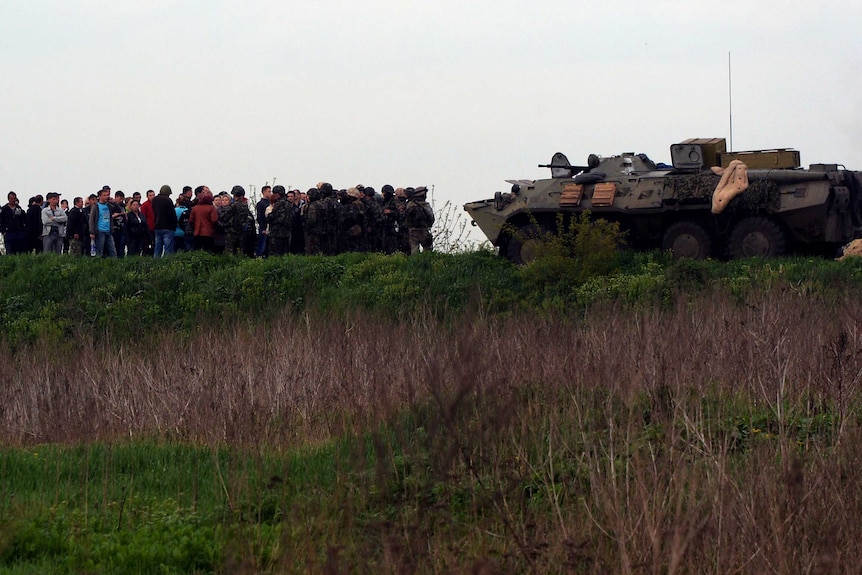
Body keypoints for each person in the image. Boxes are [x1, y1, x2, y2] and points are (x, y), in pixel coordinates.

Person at [220, 185, 254, 256]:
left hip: (231, 232)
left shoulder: (234, 205)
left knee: (230, 251)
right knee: (240, 251)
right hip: (241, 231)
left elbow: (224, 217)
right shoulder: (245, 205)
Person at [89, 187, 119, 257]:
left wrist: (113, 201)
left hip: (108, 230)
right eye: (104, 195)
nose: (106, 197)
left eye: (107, 195)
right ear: (100, 196)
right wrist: (92, 232)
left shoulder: (108, 205)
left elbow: (118, 210)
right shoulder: (96, 206)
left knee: (113, 250)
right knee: (99, 250)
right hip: (100, 230)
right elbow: (91, 219)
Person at [404, 186, 434, 254]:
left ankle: (415, 262)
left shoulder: (410, 204)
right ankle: (425, 262)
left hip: (412, 230)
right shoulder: (426, 205)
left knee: (414, 249)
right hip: (424, 229)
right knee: (428, 249)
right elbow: (431, 217)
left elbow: (406, 217)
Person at [152, 185, 177, 257]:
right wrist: (174, 225)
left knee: (157, 247)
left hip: (157, 226)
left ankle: (156, 263)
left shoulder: (154, 200)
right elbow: (171, 214)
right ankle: (167, 263)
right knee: (168, 248)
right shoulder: (168, 200)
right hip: (167, 227)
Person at [266, 185, 292, 256]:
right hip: (286, 233)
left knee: (275, 254)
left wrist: (268, 216)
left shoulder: (279, 203)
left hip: (277, 233)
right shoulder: (289, 204)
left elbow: (273, 216)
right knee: (284, 254)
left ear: (277, 194)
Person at [255, 185, 271, 257]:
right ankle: (259, 257)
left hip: (269, 227)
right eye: (269, 191)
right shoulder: (260, 204)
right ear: (264, 192)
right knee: (262, 244)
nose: (270, 193)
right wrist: (263, 228)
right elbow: (260, 217)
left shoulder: (270, 203)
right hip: (263, 228)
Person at [140, 189, 156, 255]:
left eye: (153, 195)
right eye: (150, 195)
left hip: (155, 227)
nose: (152, 197)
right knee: (147, 245)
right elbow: (143, 216)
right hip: (148, 228)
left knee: (155, 244)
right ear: (147, 196)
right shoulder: (145, 205)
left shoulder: (156, 204)